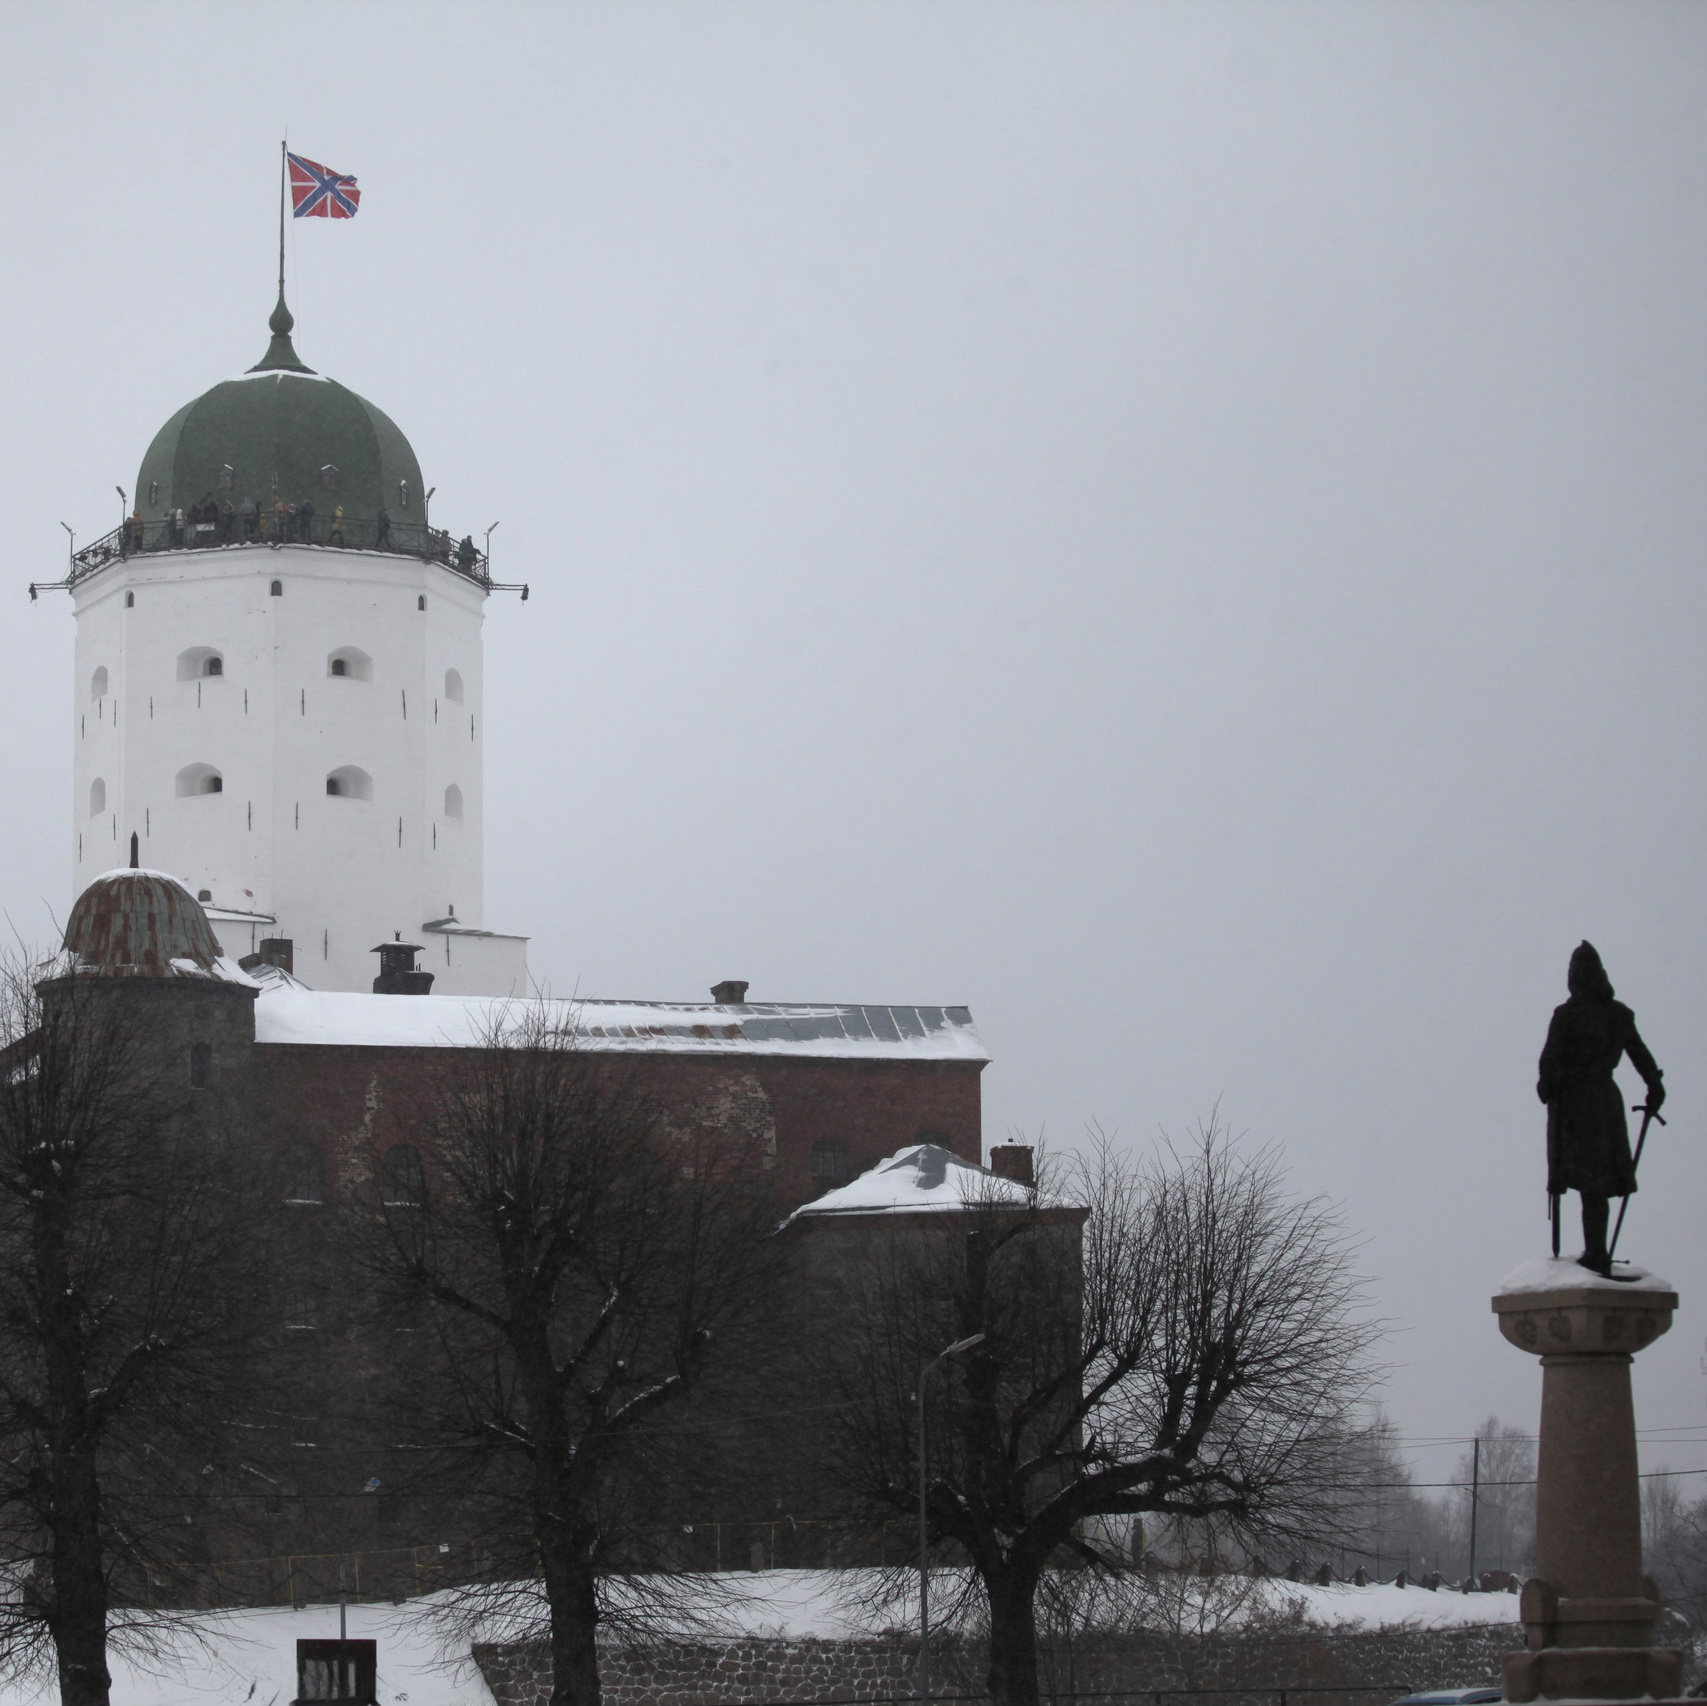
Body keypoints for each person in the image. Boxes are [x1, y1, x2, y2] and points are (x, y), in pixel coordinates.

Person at [1537, 941, 1666, 1278]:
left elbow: (1550, 1059)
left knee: (1590, 1182)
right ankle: (1597, 1250)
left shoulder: (1568, 1015)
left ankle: (1596, 1252)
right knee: (1595, 1184)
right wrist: (1654, 1085)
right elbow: (1641, 1056)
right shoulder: (1618, 1014)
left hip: (1577, 1106)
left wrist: (1549, 1084)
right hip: (1604, 1103)